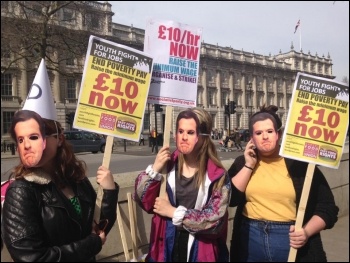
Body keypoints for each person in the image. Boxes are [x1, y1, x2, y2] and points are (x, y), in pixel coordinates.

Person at [2, 110, 119, 262]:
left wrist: (109, 191)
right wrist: (90, 245)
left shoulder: (77, 180)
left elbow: (99, 228)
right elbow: (33, 258)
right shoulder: (21, 192)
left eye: (34, 137)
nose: (27, 146)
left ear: (59, 139)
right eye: (20, 140)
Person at [228, 105, 339, 262]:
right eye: (258, 133)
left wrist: (306, 232)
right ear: (251, 138)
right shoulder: (242, 163)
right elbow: (230, 199)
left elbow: (327, 207)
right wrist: (249, 165)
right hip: (250, 239)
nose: (264, 137)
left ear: (278, 135)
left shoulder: (300, 165)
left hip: (289, 238)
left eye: (269, 131)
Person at [134, 107, 231, 262]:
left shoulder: (217, 174)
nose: (183, 137)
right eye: (180, 131)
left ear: (203, 136)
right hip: (166, 245)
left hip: (199, 250)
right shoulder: (168, 165)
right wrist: (154, 169)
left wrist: (174, 212)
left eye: (190, 132)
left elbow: (215, 221)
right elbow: (142, 200)